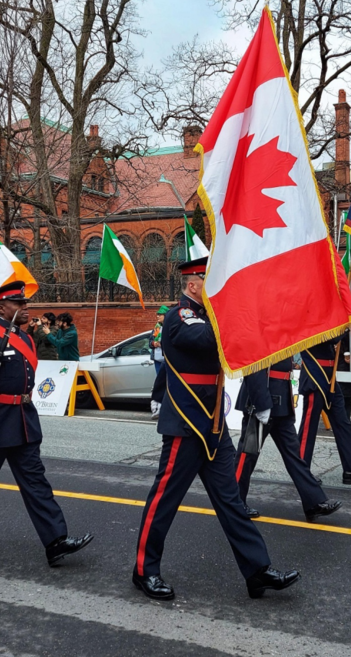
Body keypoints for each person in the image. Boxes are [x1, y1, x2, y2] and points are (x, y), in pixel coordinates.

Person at [133, 257, 300, 601]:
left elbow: (238, 345)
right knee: (164, 502)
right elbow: (213, 339)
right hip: (185, 423)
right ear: (193, 284)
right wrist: (237, 306)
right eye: (211, 280)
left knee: (232, 502)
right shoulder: (179, 318)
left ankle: (256, 571)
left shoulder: (208, 315)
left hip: (213, 425)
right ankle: (144, 570)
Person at [0, 281, 93, 567]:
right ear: (2, 308)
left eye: (25, 303)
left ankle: (55, 541)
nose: (26, 307)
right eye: (19, 304)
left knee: (36, 483)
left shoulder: (26, 338)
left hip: (24, 421)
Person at [234, 357, 341, 520]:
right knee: (247, 455)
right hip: (262, 399)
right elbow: (254, 367)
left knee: (294, 456)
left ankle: (313, 501)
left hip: (282, 402)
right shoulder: (261, 332)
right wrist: (262, 404)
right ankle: (235, 501)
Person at [298, 336, 351, 486]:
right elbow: (329, 338)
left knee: (343, 423)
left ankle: (350, 469)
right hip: (314, 375)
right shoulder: (310, 318)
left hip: (330, 376)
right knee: (309, 427)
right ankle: (302, 471)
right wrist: (341, 328)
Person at [149, 305, 169, 418]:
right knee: (159, 383)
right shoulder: (156, 328)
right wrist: (154, 344)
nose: (157, 316)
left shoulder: (169, 327)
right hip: (157, 360)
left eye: (160, 315)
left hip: (166, 360)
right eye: (157, 314)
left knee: (164, 384)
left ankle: (161, 408)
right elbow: (150, 342)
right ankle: (156, 407)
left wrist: (162, 344)